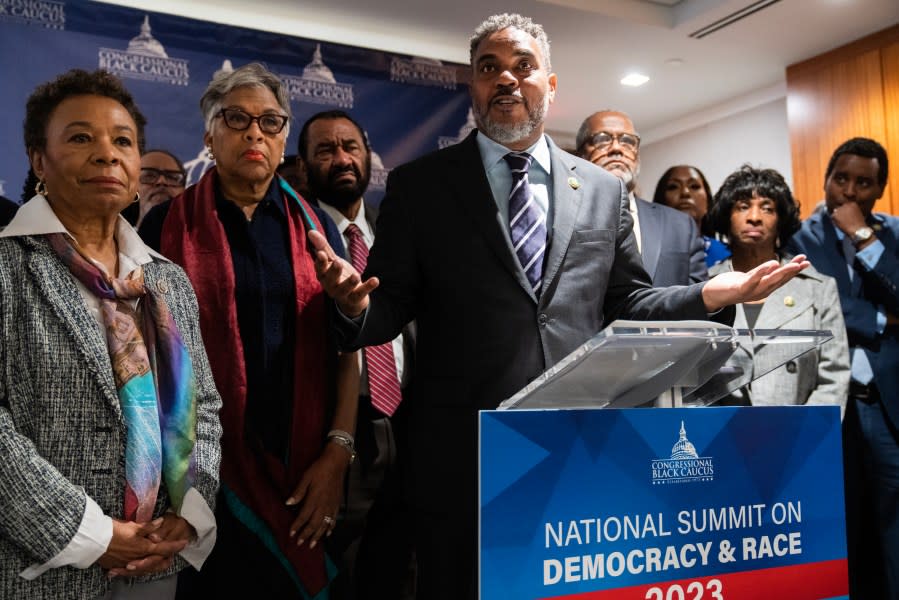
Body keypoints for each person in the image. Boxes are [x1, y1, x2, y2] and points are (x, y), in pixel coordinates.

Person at [308, 14, 808, 599]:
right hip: (462, 455)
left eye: (523, 66)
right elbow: (389, 306)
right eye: (489, 68)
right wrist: (349, 306)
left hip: (583, 442)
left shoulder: (601, 189)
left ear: (551, 84)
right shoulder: (421, 187)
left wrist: (708, 294)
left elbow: (628, 300)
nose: (506, 79)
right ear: (472, 86)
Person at [0, 68, 222, 599]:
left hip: (157, 559)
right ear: (38, 161)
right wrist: (94, 534)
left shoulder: (167, 279)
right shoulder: (8, 266)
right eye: (81, 138)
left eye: (123, 141)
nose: (107, 154)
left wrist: (190, 514)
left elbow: (205, 407)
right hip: (45, 565)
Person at [139, 62, 358, 599]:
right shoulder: (162, 226)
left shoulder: (316, 226)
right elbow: (136, 357)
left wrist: (337, 455)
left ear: (284, 140)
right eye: (237, 119)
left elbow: (347, 348)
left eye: (271, 122)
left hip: (302, 475)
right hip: (194, 476)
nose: (255, 133)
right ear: (209, 135)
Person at [298, 109, 416, 599]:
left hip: (411, 428)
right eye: (325, 150)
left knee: (403, 574)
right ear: (303, 168)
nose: (341, 158)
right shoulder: (295, 237)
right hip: (331, 435)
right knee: (335, 576)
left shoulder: (401, 232)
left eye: (350, 146)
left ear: (368, 157)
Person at [787, 137, 899, 598]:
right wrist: (882, 318)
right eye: (841, 179)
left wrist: (863, 237)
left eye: (863, 183)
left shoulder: (891, 233)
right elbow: (825, 305)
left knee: (893, 518)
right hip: (830, 399)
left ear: (880, 189)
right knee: (838, 515)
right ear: (826, 179)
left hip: (888, 404)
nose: (849, 192)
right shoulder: (799, 236)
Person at [706, 165, 849, 408]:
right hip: (720, 434)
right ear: (726, 218)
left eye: (767, 208)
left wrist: (806, 434)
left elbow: (833, 377)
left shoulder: (818, 288)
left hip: (798, 435)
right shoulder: (704, 286)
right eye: (742, 207)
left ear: (781, 220)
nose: (754, 217)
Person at [576, 111, 707, 285]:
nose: (617, 148)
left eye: (627, 141)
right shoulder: (563, 215)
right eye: (602, 139)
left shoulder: (680, 225)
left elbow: (698, 299)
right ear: (580, 155)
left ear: (637, 154)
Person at [654, 165, 731, 267]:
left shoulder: (728, 254)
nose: (685, 192)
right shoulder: (645, 252)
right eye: (673, 186)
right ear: (661, 200)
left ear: (707, 203)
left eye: (694, 186)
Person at [122, 150, 186, 228]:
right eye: (149, 176)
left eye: (172, 177)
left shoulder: (200, 239)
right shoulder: (113, 239)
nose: (162, 181)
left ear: (184, 189)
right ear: (133, 187)